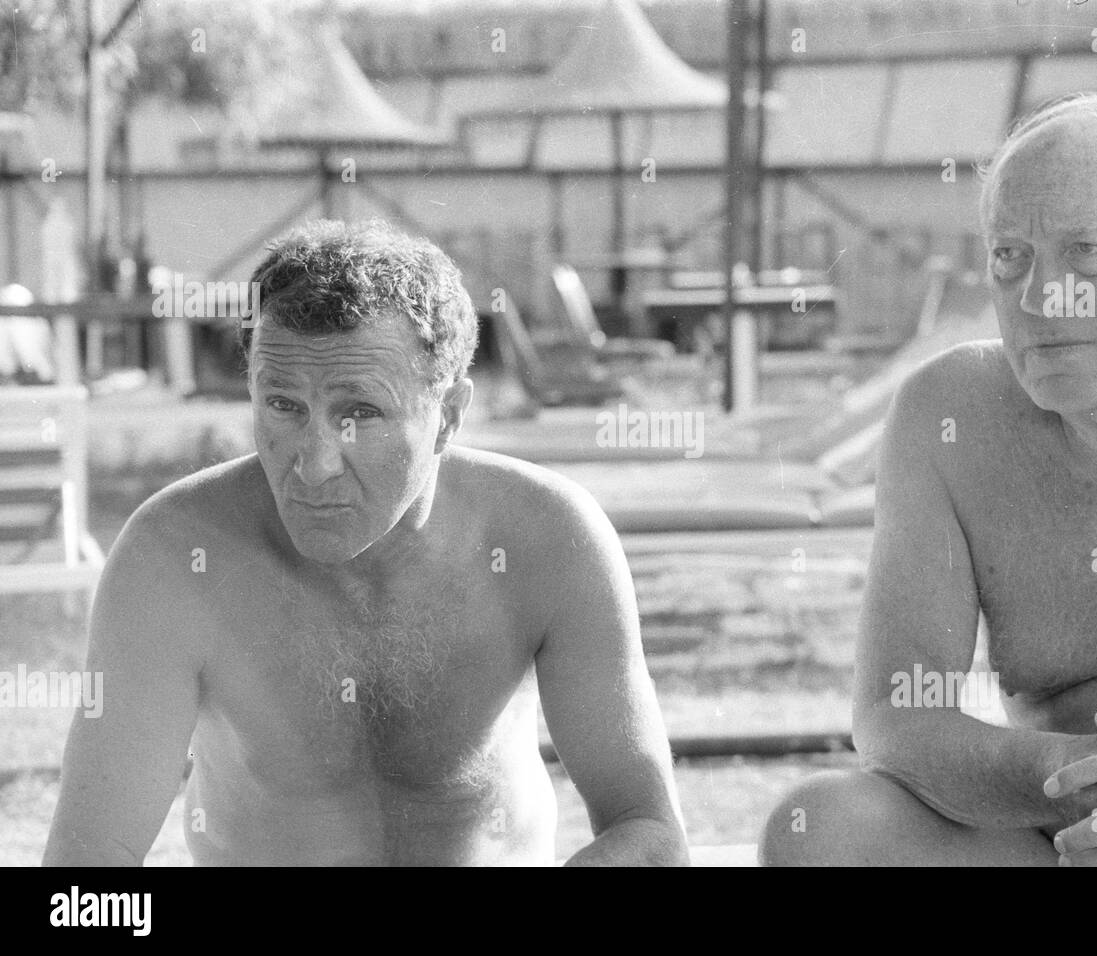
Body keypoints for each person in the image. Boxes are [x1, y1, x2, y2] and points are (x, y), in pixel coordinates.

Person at [761, 91, 1097, 866]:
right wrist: (1075, 778)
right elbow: (896, 716)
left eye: (1090, 252)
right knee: (824, 830)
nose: (1042, 298)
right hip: (1067, 845)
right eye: (1011, 257)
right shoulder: (948, 418)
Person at [44, 220, 687, 866]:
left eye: (361, 414)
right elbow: (82, 879)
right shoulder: (172, 559)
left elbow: (652, 836)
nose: (315, 463)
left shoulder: (550, 539)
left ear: (450, 415)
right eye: (283, 406)